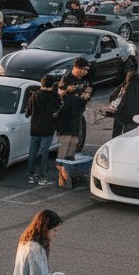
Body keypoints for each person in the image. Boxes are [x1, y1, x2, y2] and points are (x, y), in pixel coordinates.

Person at [9, 209, 63, 275]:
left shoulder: (25, 241)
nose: (55, 234)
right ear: (45, 229)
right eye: (54, 231)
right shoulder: (36, 249)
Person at [54, 58, 92, 187]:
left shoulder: (85, 80)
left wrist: (85, 96)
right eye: (81, 70)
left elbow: (87, 94)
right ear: (75, 67)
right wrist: (67, 91)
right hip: (66, 115)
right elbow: (59, 94)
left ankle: (69, 168)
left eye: (85, 70)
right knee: (65, 141)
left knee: (74, 141)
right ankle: (62, 172)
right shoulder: (66, 78)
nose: (83, 72)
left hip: (77, 114)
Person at [24, 75, 58, 185]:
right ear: (52, 85)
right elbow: (57, 111)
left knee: (33, 151)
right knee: (44, 152)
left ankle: (30, 174)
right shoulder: (54, 96)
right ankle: (42, 176)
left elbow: (28, 112)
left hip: (35, 128)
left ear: (41, 84)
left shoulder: (34, 96)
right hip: (48, 128)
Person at [107, 62, 139, 137]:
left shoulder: (125, 85)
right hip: (134, 115)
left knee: (116, 134)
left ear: (128, 78)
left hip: (119, 112)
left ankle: (115, 146)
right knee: (129, 135)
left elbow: (112, 96)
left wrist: (114, 105)